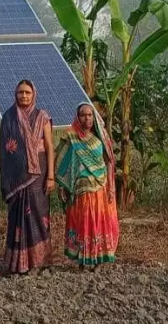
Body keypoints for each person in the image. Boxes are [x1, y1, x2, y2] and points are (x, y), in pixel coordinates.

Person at [0, 80, 55, 275]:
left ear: (34, 94)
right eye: (20, 92)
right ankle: (19, 263)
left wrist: (51, 176)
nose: (24, 96)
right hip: (15, 176)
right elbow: (5, 151)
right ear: (15, 94)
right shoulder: (8, 117)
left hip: (39, 173)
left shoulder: (42, 117)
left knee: (38, 214)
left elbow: (49, 147)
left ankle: (41, 260)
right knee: (18, 217)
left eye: (27, 92)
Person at [56, 103, 119, 270]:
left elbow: (109, 162)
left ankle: (98, 257)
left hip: (100, 188)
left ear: (94, 117)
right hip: (79, 189)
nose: (87, 118)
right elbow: (64, 163)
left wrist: (111, 187)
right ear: (78, 118)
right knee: (83, 221)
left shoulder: (101, 137)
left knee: (97, 221)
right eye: (83, 115)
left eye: (90, 115)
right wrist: (62, 186)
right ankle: (83, 259)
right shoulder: (72, 137)